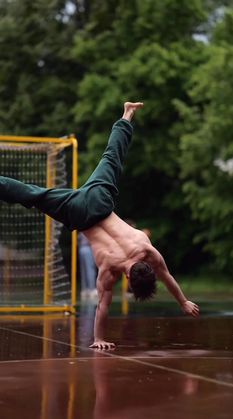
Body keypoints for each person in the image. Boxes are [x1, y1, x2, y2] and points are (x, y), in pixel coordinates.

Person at [0, 102, 199, 350]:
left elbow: (166, 275)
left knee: (112, 157)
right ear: (128, 278)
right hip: (77, 213)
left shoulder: (146, 249)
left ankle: (127, 114)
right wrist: (98, 339)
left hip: (99, 201)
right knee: (33, 195)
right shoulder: (109, 269)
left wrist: (183, 301)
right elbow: (103, 305)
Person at [78, 232, 98, 300]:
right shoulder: (90, 227)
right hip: (88, 249)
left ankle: (84, 290)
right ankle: (92, 289)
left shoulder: (81, 229)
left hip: (81, 249)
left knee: (83, 270)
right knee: (90, 269)